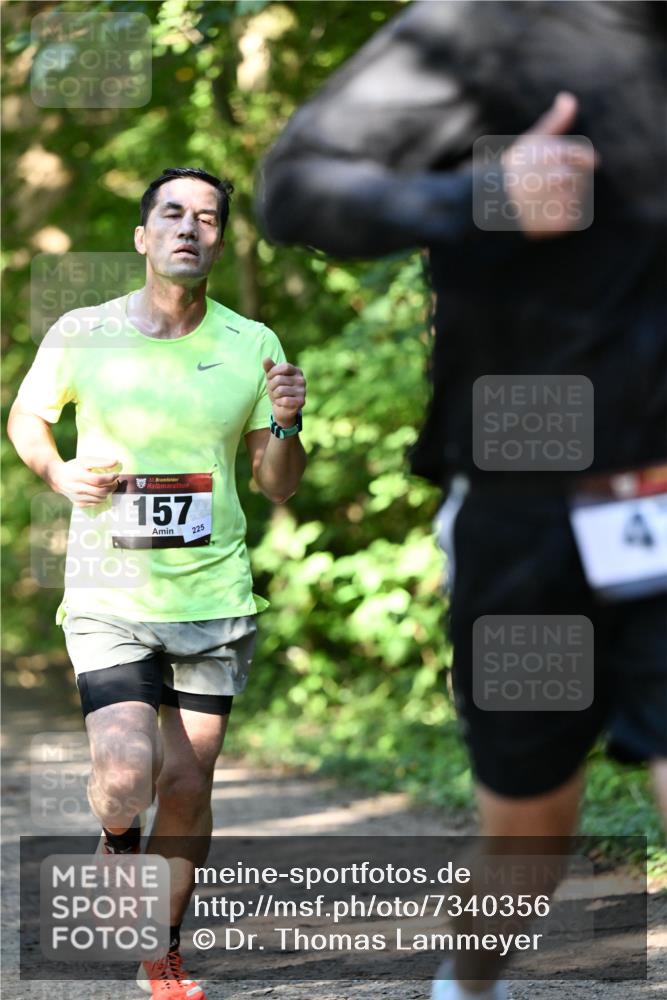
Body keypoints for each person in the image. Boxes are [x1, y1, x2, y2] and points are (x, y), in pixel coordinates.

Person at [256, 3, 666, 999]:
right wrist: (480, 194)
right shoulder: (486, 24)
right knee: (529, 836)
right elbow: (294, 190)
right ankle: (468, 982)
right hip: (525, 517)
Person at [8, 166, 307, 1000]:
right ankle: (113, 834)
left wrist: (285, 419)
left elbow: (278, 482)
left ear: (218, 240)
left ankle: (160, 949)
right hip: (110, 593)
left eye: (206, 217)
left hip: (213, 600)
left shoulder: (253, 344)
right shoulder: (85, 330)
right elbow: (27, 416)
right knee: (126, 775)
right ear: (143, 237)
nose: (189, 227)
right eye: (171, 213)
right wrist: (59, 470)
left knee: (185, 786)